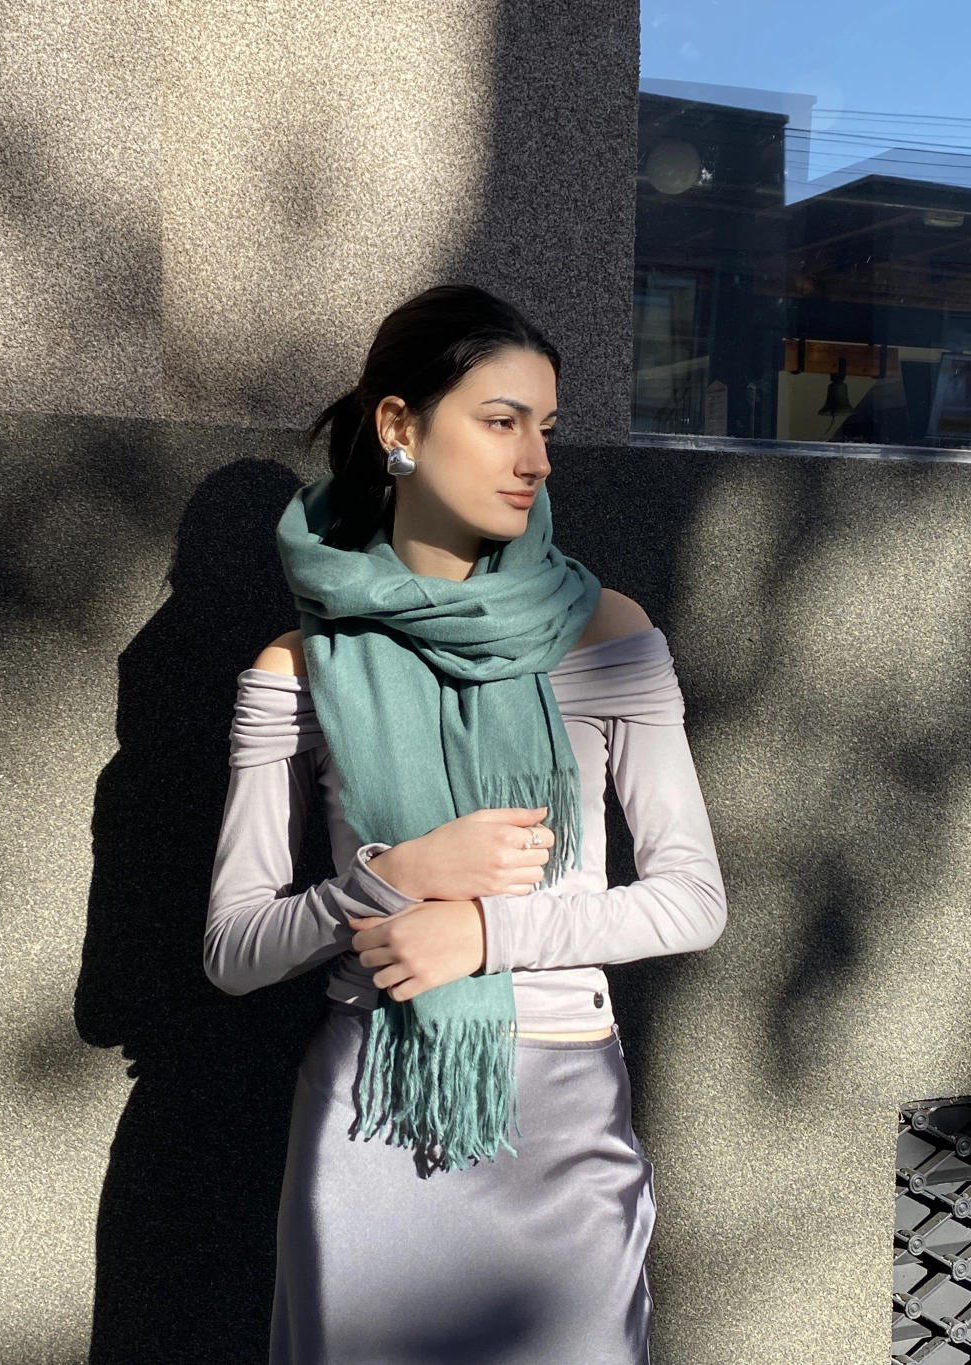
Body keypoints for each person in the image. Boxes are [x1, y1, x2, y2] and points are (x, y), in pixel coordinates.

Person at [204, 283, 728, 1365]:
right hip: (373, 1116)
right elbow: (233, 950)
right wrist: (394, 877)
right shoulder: (298, 668)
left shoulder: (606, 633)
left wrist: (484, 931)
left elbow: (692, 901)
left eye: (547, 428)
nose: (535, 459)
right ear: (399, 426)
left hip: (563, 1121)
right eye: (501, 421)